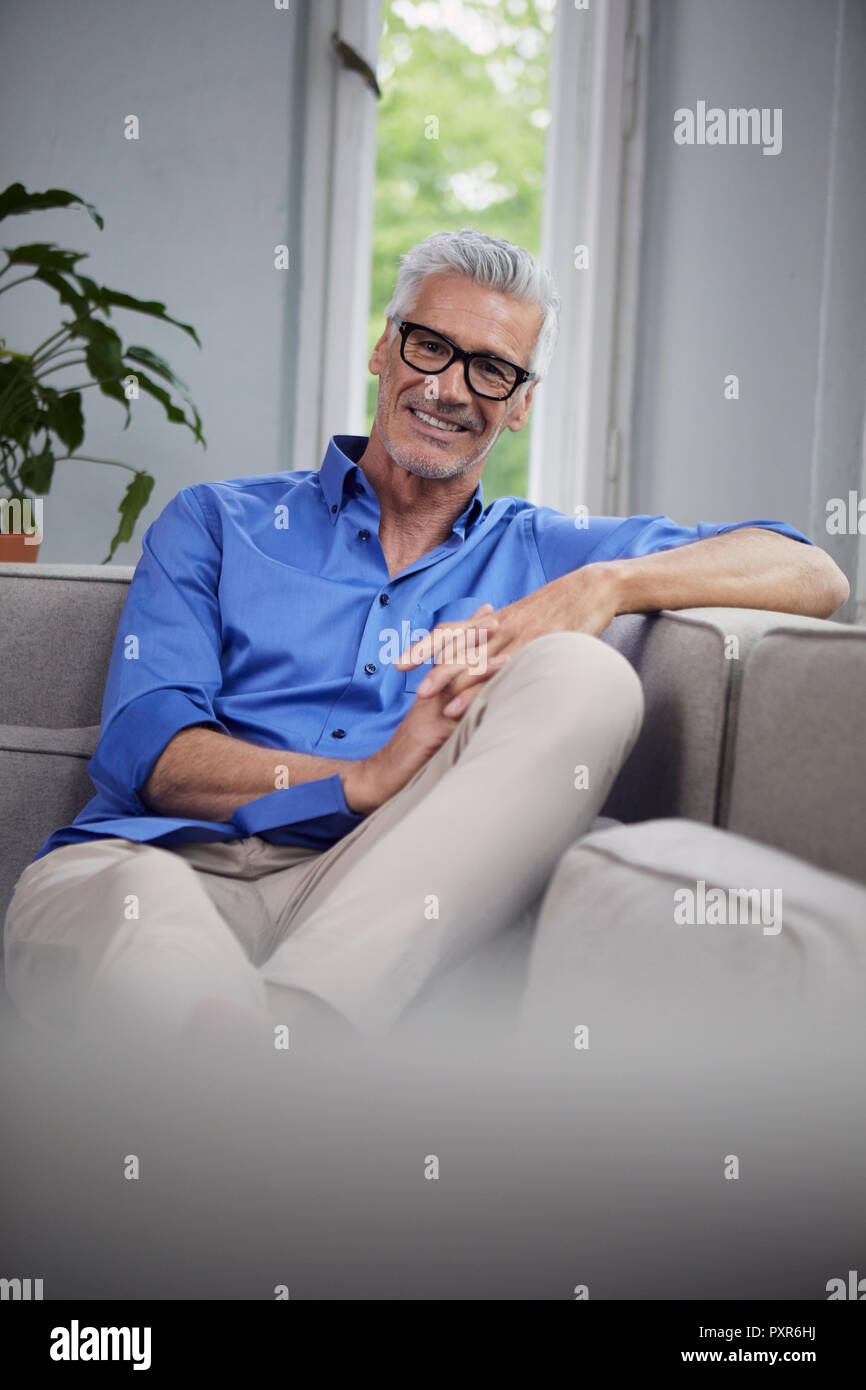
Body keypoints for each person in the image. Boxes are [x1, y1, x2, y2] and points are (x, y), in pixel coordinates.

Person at [3, 229, 848, 1051]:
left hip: (375, 901)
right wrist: (363, 777)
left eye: (492, 369)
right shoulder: (218, 522)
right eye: (430, 346)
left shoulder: (546, 550)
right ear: (384, 349)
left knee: (583, 672)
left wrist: (605, 584)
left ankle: (297, 1031)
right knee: (142, 909)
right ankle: (262, 1079)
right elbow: (150, 755)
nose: (451, 388)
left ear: (520, 405)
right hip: (158, 866)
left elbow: (812, 574)